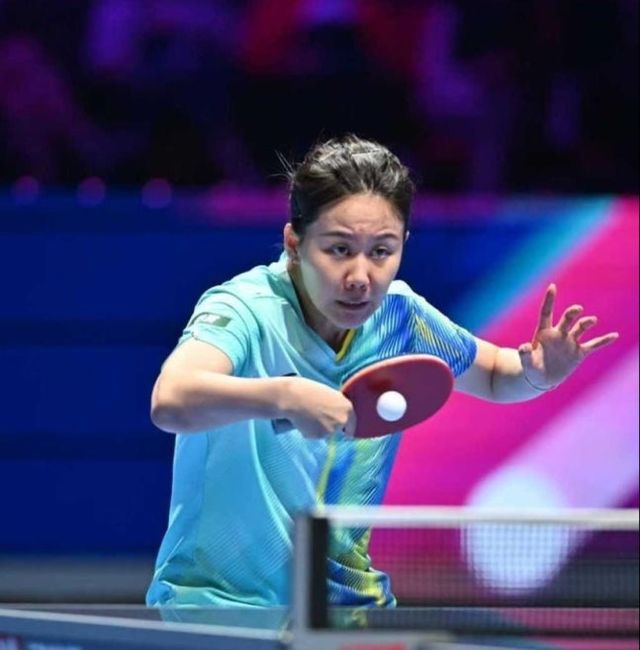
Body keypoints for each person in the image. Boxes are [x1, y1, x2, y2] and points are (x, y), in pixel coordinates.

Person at [146, 134, 618, 608]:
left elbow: (496, 373)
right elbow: (172, 400)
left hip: (347, 616)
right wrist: (286, 396)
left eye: (380, 252)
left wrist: (538, 372)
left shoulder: (399, 316)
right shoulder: (245, 309)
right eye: (338, 249)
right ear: (294, 243)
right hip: (219, 610)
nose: (360, 277)